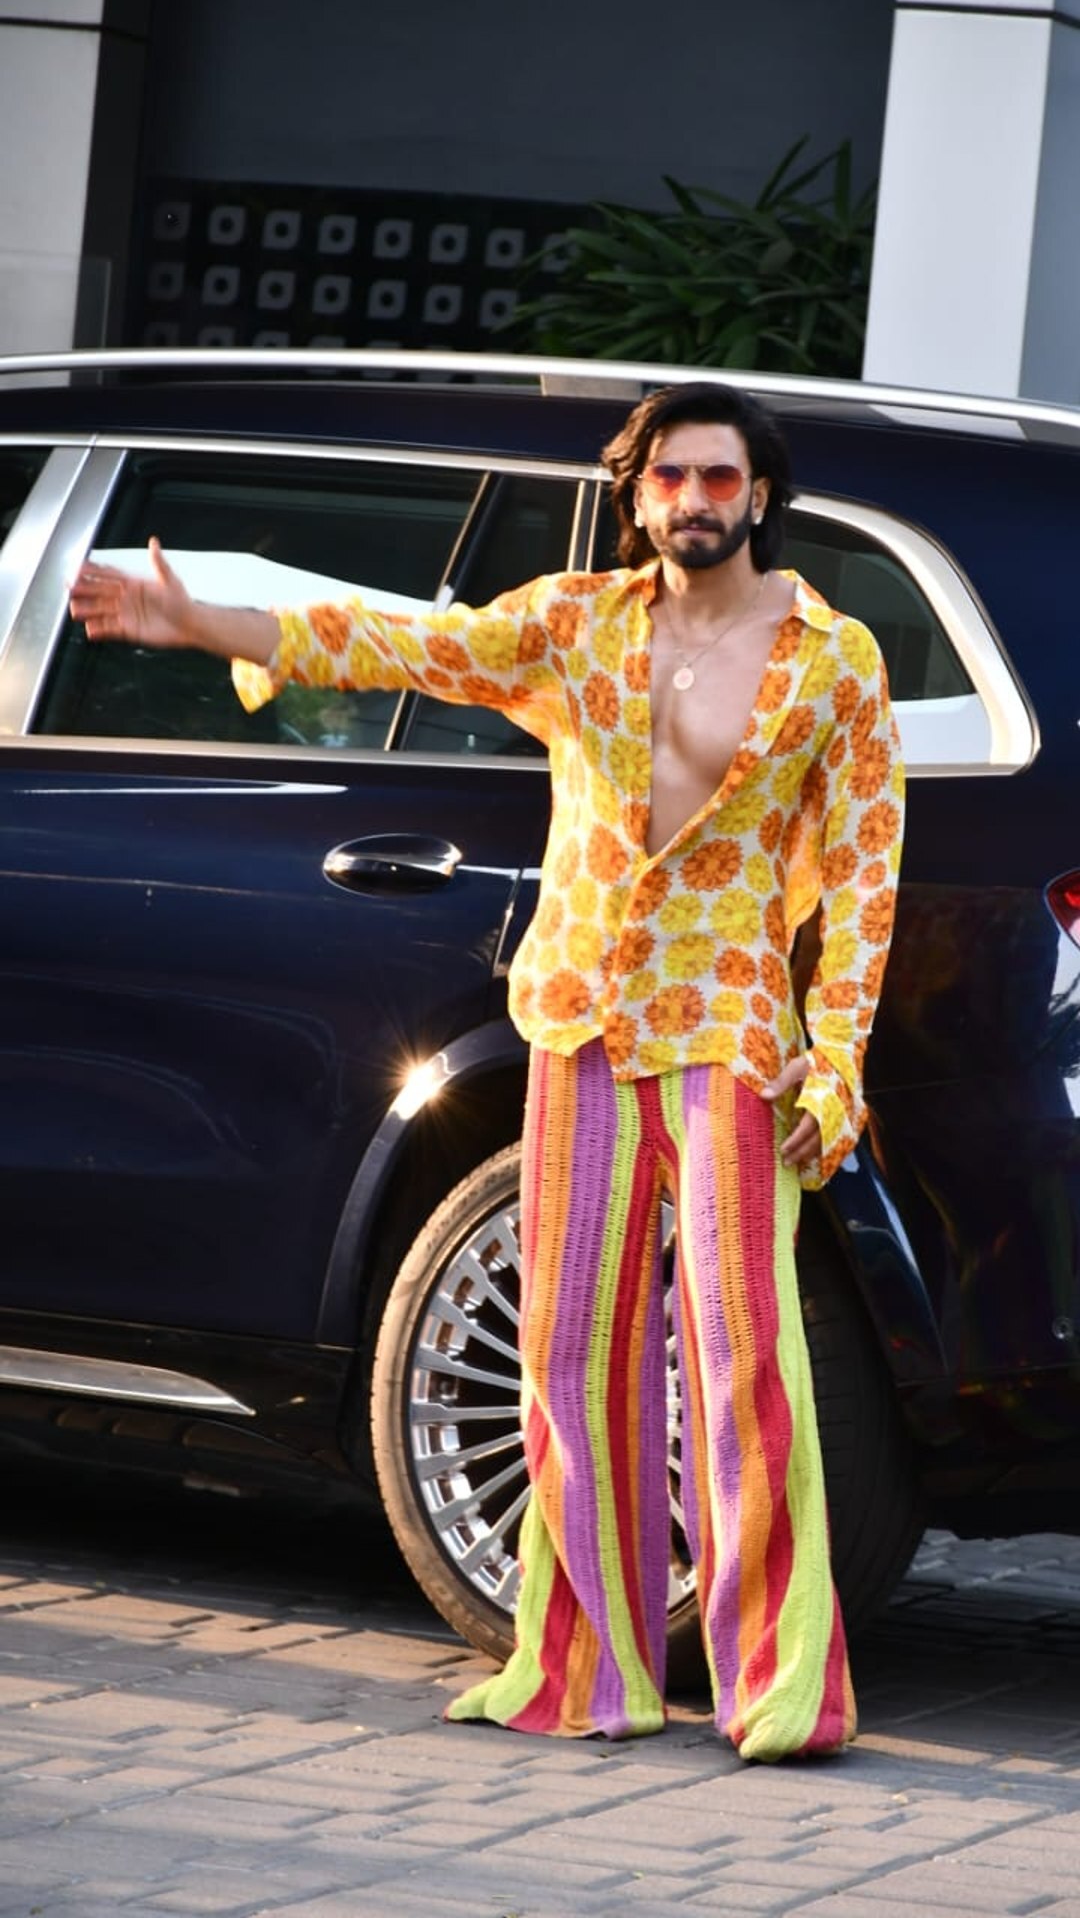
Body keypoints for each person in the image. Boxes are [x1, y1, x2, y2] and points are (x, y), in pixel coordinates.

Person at [69, 380, 904, 1762]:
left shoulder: (834, 658)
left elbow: (867, 879)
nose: (694, 500)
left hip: (736, 1032)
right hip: (581, 1024)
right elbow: (408, 641)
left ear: (759, 494)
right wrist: (202, 619)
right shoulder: (575, 624)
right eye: (670, 479)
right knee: (571, 1357)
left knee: (747, 1355)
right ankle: (597, 1670)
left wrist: (836, 1061)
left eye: (719, 478)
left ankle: (781, 1689)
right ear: (638, 497)